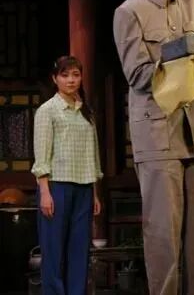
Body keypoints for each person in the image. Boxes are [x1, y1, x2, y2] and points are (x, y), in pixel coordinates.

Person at [113, 0, 194, 295]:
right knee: (163, 234)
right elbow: (139, 76)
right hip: (157, 133)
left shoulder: (193, 1)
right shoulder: (129, 12)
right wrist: (180, 58)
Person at [31, 55, 103, 295]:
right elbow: (42, 155)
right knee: (53, 250)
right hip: (56, 187)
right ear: (55, 79)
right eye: (65, 75)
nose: (71, 80)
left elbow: (92, 154)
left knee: (79, 251)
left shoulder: (86, 111)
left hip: (84, 187)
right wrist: (44, 192)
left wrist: (94, 192)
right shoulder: (47, 111)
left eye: (75, 75)